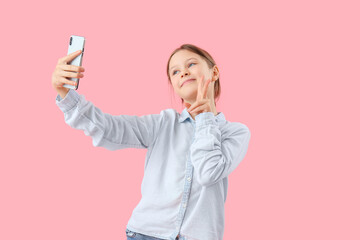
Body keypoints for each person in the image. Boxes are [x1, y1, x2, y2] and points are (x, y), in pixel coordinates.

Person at [52, 44, 251, 240]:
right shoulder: (163, 123)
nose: (183, 72)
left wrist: (205, 117)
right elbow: (108, 129)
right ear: (173, 85)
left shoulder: (236, 132)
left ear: (214, 72)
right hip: (145, 234)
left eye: (191, 65)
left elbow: (208, 173)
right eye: (175, 71)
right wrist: (65, 93)